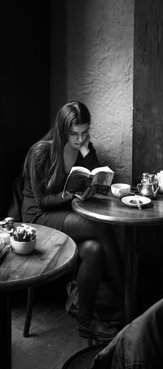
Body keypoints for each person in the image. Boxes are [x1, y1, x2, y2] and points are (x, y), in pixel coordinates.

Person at [21, 101, 124, 340]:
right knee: (99, 226)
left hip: (64, 214)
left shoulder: (83, 148)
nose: (80, 139)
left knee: (93, 249)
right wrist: (71, 195)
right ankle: (126, 299)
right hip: (37, 218)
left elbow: (99, 178)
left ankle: (85, 320)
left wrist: (88, 155)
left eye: (85, 132)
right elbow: (43, 200)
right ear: (62, 130)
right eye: (74, 134)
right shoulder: (41, 152)